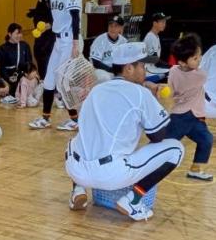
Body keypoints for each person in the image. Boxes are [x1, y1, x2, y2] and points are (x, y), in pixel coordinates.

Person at [64, 42, 185, 222]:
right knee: (176, 149)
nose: (145, 71)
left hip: (76, 169)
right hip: (111, 174)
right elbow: (157, 136)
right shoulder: (140, 93)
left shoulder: (96, 90)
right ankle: (133, 201)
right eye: (142, 66)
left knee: (76, 141)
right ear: (129, 68)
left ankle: (78, 190)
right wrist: (151, 105)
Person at [28, 0, 83, 131]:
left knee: (62, 82)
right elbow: (60, 19)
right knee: (49, 80)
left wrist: (75, 44)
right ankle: (45, 118)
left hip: (70, 40)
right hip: (59, 40)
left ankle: (75, 120)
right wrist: (47, 27)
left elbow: (75, 17)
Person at [165, 34, 213, 181]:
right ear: (183, 62)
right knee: (163, 145)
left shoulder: (173, 70)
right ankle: (146, 166)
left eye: (199, 56)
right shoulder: (200, 75)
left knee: (206, 139)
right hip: (182, 118)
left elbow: (172, 91)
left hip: (192, 116)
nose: (200, 59)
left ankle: (195, 169)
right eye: (195, 58)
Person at [27, 0, 55, 80]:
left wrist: (50, 24)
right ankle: (44, 80)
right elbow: (44, 8)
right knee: (39, 53)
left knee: (44, 56)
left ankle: (46, 81)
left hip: (48, 32)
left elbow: (55, 12)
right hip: (41, 31)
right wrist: (35, 12)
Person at [89, 14, 129, 84]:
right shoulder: (100, 40)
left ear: (121, 28)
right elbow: (95, 62)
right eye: (111, 26)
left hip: (118, 71)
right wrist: (111, 70)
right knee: (105, 78)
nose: (112, 28)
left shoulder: (124, 41)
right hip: (102, 70)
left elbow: (127, 60)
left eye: (116, 26)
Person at [0, 23, 33, 98]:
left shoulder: (24, 46)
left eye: (21, 33)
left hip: (22, 76)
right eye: (17, 33)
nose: (20, 35)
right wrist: (8, 78)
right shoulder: (2, 49)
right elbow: (1, 68)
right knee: (10, 92)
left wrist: (28, 74)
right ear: (10, 34)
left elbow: (29, 63)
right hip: (9, 78)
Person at [143, 12, 171, 82]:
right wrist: (168, 65)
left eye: (165, 22)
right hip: (148, 69)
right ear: (155, 23)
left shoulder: (155, 36)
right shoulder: (150, 37)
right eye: (162, 22)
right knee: (171, 72)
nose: (164, 24)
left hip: (152, 67)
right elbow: (153, 59)